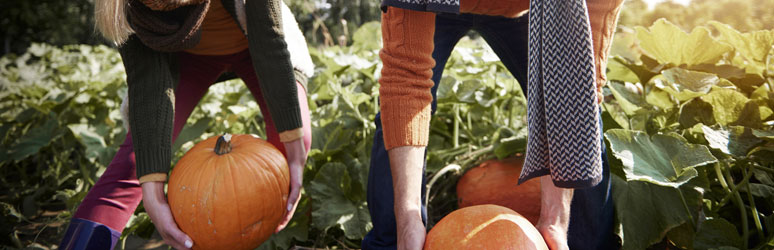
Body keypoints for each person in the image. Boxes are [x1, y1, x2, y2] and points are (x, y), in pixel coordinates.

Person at [363, 0, 625, 249]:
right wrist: (407, 221)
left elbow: (573, 88)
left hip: (531, 8)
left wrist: (556, 219)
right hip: (435, 8)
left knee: (583, 106)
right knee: (398, 117)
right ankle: (393, 242)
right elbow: (406, 82)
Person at [58, 0, 314, 249]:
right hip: (188, 58)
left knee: (294, 139)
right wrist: (153, 192)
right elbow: (148, 84)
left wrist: (293, 144)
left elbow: (268, 39)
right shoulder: (123, 5)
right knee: (135, 162)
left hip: (257, 42)